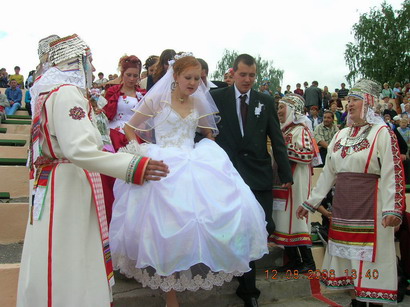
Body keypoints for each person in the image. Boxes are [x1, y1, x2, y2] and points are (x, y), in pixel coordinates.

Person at [17, 33, 169, 307]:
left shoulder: (47, 93)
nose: (91, 66)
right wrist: (132, 166)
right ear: (77, 61)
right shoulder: (66, 93)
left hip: (53, 182)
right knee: (71, 255)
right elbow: (80, 150)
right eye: (88, 60)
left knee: (56, 253)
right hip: (68, 184)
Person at [109, 54, 268, 307]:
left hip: (193, 161)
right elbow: (130, 126)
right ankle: (170, 297)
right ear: (175, 76)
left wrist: (212, 151)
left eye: (197, 78)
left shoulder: (197, 103)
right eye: (188, 78)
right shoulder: (157, 100)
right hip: (163, 164)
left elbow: (209, 130)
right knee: (166, 227)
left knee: (210, 217)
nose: (194, 83)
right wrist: (136, 150)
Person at [297, 79, 405, 306]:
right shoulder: (340, 135)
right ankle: (357, 298)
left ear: (369, 103)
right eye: (350, 100)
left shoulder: (382, 133)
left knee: (373, 260)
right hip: (345, 209)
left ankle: (373, 300)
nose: (350, 104)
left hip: (373, 209)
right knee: (349, 258)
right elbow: (329, 173)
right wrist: (310, 203)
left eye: (356, 100)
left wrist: (393, 209)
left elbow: (392, 173)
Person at [211, 54, 293, 307]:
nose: (248, 80)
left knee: (264, 226)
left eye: (252, 75)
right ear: (233, 73)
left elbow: (277, 139)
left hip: (258, 176)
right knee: (241, 233)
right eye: (243, 74)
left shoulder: (265, 101)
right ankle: (248, 293)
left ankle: (243, 277)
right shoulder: (215, 98)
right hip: (229, 176)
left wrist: (286, 174)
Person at [271, 94, 317, 273]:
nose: (279, 111)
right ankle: (294, 260)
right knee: (283, 219)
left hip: (297, 182)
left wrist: (282, 150)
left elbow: (307, 155)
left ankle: (309, 262)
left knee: (296, 219)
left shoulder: (301, 130)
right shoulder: (283, 130)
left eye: (282, 108)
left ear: (292, 110)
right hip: (282, 182)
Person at [103, 55, 146, 152]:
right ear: (122, 74)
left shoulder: (143, 94)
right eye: (128, 75)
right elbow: (105, 112)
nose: (131, 79)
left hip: (135, 133)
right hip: (113, 133)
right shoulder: (112, 91)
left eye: (135, 76)